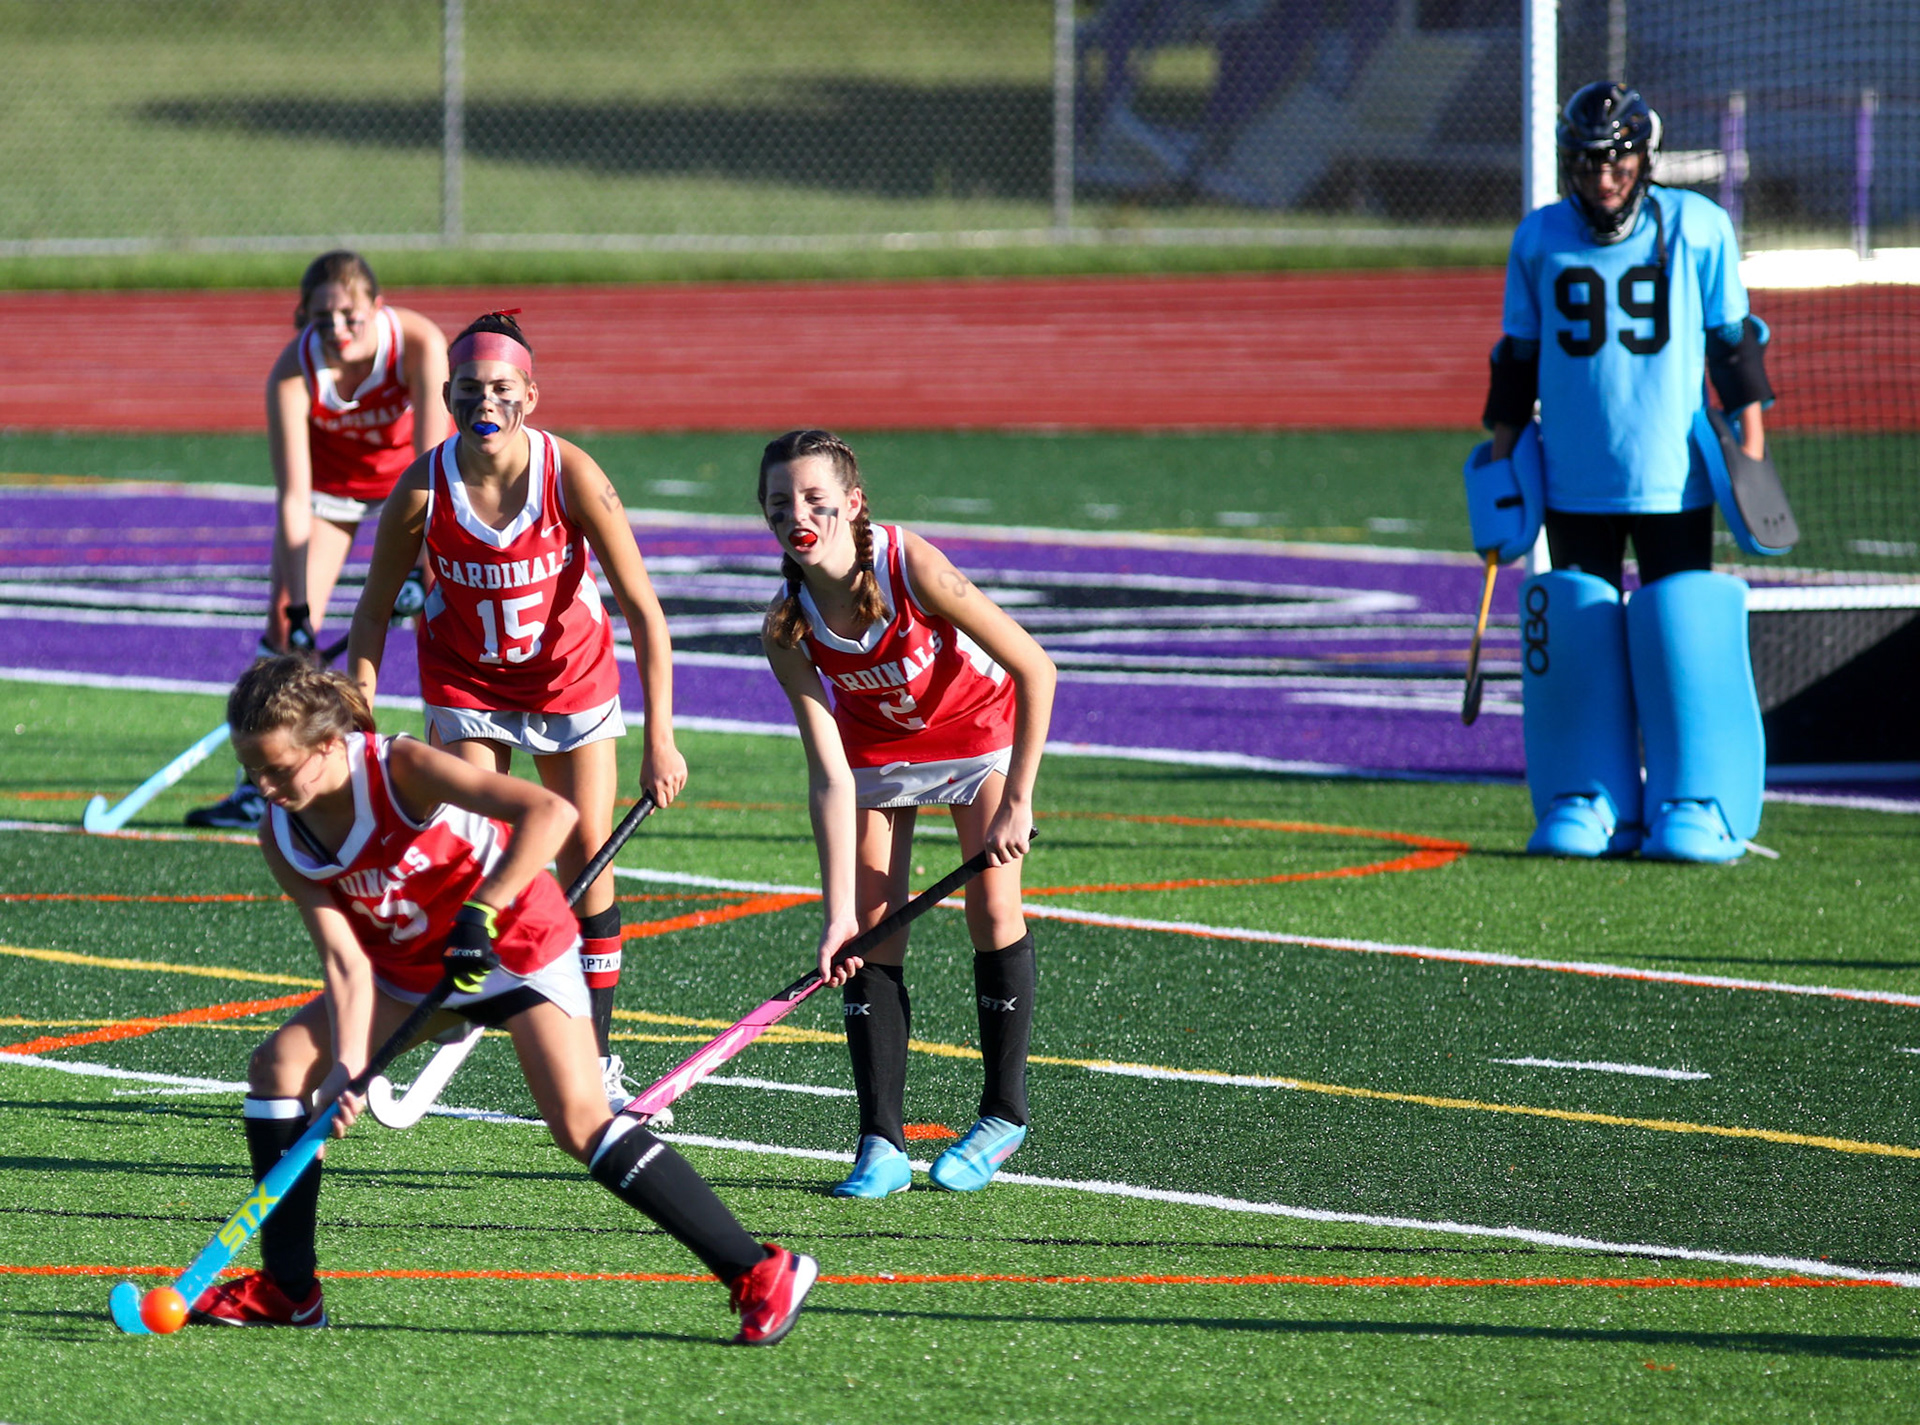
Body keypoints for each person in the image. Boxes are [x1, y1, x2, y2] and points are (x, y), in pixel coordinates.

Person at [190, 656, 814, 1343]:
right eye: (253, 771)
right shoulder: (282, 833)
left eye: (279, 769)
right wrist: (346, 1067)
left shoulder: (400, 768)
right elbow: (344, 959)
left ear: (329, 744)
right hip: (412, 974)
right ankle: (289, 1290)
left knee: (581, 1124)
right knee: (278, 1066)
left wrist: (480, 909)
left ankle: (760, 1270)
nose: (265, 787)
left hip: (516, 946)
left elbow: (550, 811)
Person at [347, 311, 688, 1111]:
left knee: (586, 857)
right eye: (470, 389)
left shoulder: (571, 474)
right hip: (467, 683)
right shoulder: (422, 489)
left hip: (570, 680)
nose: (486, 402)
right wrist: (359, 713)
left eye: (502, 388)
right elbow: (371, 609)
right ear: (447, 397)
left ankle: (596, 1056)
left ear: (530, 396)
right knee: (477, 856)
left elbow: (644, 609)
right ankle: (454, 1005)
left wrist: (661, 738)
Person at [756, 430, 1056, 1197]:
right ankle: (880, 1142)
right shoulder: (786, 625)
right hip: (877, 756)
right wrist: (835, 916)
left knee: (993, 909)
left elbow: (1035, 667)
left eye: (816, 499)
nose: (799, 515)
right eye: (782, 503)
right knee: (870, 933)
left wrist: (1018, 799)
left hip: (976, 733)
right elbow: (827, 774)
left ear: (853, 504)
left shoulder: (908, 563)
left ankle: (1003, 1113)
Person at [1480, 82, 1775, 864]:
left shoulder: (1698, 227)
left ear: (1645, 157)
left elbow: (1733, 345)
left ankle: (1696, 795)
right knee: (1582, 631)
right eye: (1587, 164)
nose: (1603, 179)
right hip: (1574, 479)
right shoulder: (1540, 238)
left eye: (1616, 162)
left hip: (1674, 478)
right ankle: (1590, 795)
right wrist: (1501, 463)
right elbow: (1517, 361)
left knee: (1684, 633)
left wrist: (1751, 447)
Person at [188, 250, 448, 830]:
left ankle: (450, 774)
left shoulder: (419, 344)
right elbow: (293, 498)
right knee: (283, 635)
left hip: (410, 494)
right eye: (323, 317)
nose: (337, 328)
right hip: (330, 495)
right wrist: (300, 611)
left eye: (350, 315)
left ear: (376, 307)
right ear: (305, 315)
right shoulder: (293, 370)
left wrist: (417, 570)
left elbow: (433, 470)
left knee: (439, 621)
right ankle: (258, 786)